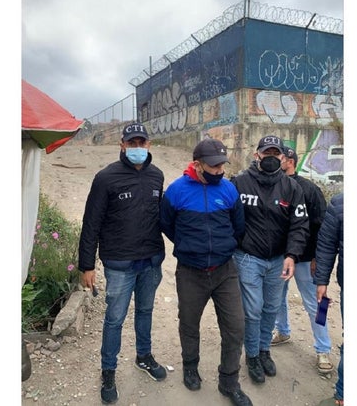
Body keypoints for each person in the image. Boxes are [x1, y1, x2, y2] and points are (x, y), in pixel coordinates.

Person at [77, 122, 167, 405]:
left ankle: (144, 356)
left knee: (145, 311)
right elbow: (91, 223)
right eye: (132, 143)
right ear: (122, 145)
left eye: (141, 143)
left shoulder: (157, 176)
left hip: (150, 261)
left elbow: (163, 216)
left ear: (148, 145)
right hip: (120, 264)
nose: (137, 147)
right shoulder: (106, 178)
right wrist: (86, 265)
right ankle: (108, 371)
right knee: (115, 319)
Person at [159, 138, 253, 406]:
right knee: (189, 323)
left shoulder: (229, 190)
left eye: (222, 165)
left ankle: (229, 382)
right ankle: (190, 367)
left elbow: (238, 227)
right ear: (197, 164)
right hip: (191, 272)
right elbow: (166, 225)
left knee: (235, 327)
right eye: (213, 166)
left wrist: (222, 248)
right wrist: (190, 247)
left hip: (225, 271)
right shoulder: (176, 191)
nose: (219, 171)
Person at [230, 135, 309, 384]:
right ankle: (252, 355)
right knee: (253, 310)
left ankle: (264, 350)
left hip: (278, 261)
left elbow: (299, 225)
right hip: (248, 258)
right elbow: (226, 217)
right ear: (257, 155)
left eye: (276, 154)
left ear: (283, 157)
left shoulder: (291, 188)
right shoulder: (239, 183)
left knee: (271, 308)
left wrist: (292, 255)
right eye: (267, 153)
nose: (271, 157)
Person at [271, 146, 334, 375]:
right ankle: (283, 331)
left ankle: (323, 349)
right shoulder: (274, 186)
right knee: (277, 298)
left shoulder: (309, 189)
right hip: (281, 256)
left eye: (281, 157)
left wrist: (319, 257)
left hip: (307, 258)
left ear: (290, 161)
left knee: (318, 303)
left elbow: (323, 226)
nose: (276, 160)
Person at [313, 192, 344, 406]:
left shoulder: (311, 191)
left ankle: (322, 349)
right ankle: (342, 395)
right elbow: (326, 244)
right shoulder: (340, 203)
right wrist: (322, 280)